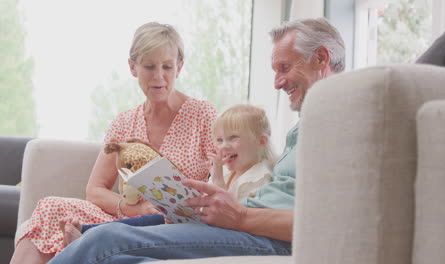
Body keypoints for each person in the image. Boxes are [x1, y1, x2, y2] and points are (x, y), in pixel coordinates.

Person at [48, 17, 346, 263]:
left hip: (265, 237)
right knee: (118, 258)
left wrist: (240, 216)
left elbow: (327, 223)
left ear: (321, 58)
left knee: (105, 240)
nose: (277, 82)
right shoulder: (309, 125)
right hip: (247, 225)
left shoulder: (346, 123)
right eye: (275, 70)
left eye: (284, 68)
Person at [10, 22, 217, 264]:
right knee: (49, 208)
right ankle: (83, 240)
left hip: (176, 227)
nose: (158, 76)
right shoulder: (124, 122)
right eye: (149, 66)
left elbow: (224, 180)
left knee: (89, 234)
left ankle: (84, 240)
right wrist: (134, 210)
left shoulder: (203, 115)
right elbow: (95, 191)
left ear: (179, 67)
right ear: (133, 67)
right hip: (127, 221)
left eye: (167, 67)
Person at [58, 104, 277, 245]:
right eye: (219, 140)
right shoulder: (233, 172)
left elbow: (235, 217)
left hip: (224, 235)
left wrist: (216, 177)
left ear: (260, 141)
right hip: (202, 223)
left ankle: (88, 234)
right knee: (155, 218)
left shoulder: (258, 178)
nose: (223, 146)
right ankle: (86, 231)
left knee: (153, 222)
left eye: (233, 138)